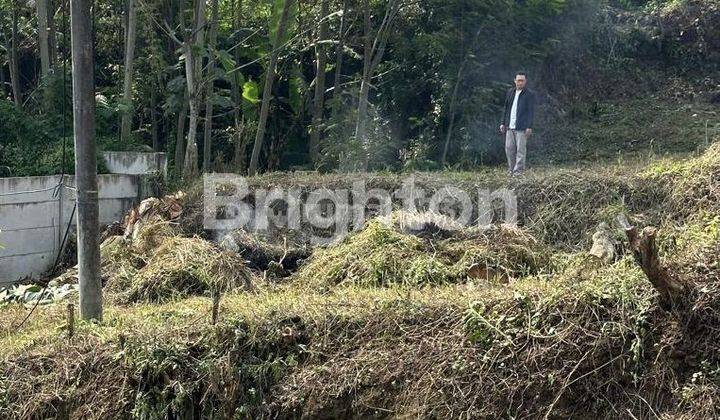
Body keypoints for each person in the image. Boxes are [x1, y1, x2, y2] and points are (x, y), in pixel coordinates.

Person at [500, 71, 535, 176]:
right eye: (518, 80)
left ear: (525, 81)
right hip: (510, 126)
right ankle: (511, 170)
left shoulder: (529, 94)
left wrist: (529, 126)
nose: (520, 82)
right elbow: (506, 108)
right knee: (509, 149)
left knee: (520, 150)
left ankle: (518, 172)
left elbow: (531, 111)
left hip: (522, 127)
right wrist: (502, 123)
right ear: (515, 81)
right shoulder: (510, 92)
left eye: (522, 80)